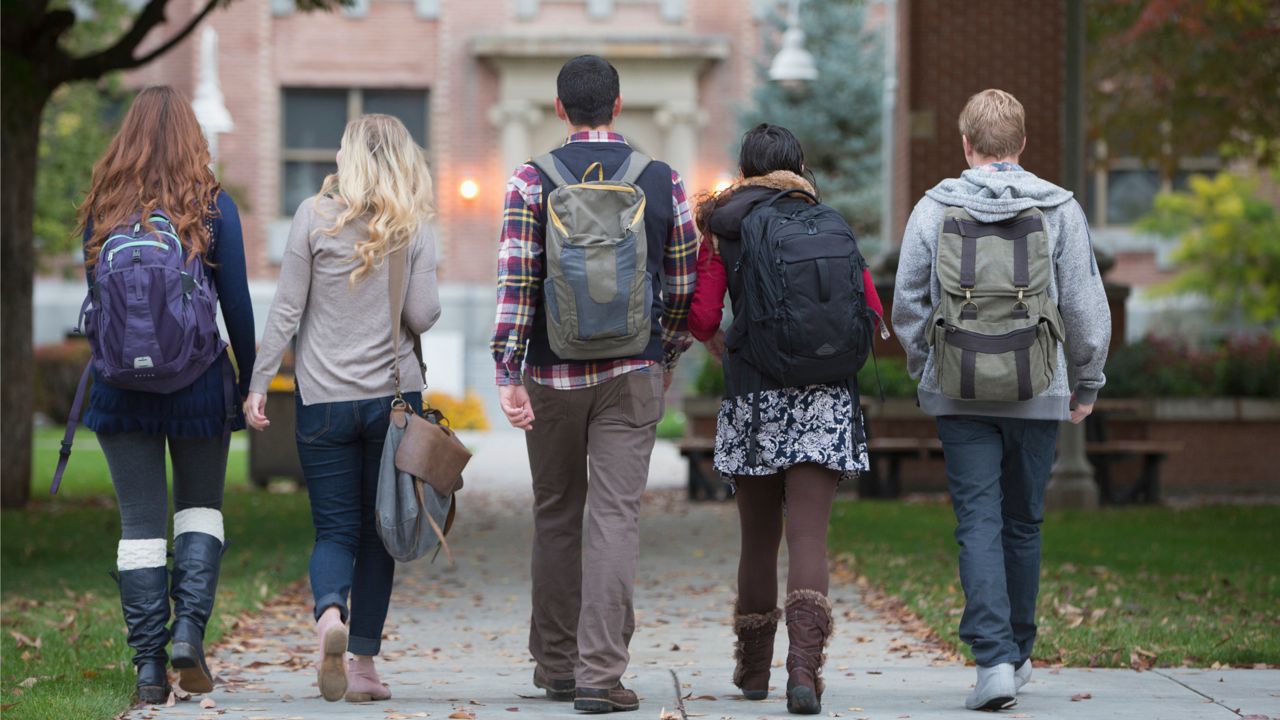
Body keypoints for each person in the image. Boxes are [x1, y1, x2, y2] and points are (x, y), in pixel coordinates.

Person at [892, 89, 1110, 711]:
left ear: (966, 144)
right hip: (1040, 386)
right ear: (1022, 144)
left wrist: (928, 366)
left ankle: (991, 665)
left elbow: (908, 302)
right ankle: (1017, 653)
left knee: (978, 522)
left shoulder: (935, 207)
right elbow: (1085, 307)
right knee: (1023, 521)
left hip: (958, 391)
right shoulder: (1060, 208)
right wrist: (1086, 381)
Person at [491, 54, 696, 713]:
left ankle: (555, 666)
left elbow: (516, 282)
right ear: (618, 104)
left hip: (552, 373)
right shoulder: (664, 180)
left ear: (559, 109)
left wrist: (508, 371)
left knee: (556, 514)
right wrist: (662, 351)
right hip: (633, 371)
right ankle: (600, 674)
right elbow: (685, 281)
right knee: (615, 516)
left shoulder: (531, 179)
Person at [243, 114, 441, 703]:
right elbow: (425, 315)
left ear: (347, 156)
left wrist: (258, 384)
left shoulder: (312, 215)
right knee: (379, 535)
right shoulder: (413, 226)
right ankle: (363, 669)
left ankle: (329, 614)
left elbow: (285, 309)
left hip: (323, 402)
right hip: (393, 405)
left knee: (333, 530)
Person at [690, 123, 883, 715]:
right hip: (825, 399)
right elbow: (871, 312)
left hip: (756, 400)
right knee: (808, 537)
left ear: (745, 169)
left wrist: (722, 342)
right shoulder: (827, 222)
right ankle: (804, 672)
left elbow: (700, 313)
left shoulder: (726, 227)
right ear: (798, 165)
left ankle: (753, 673)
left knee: (758, 539)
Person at [74, 86, 256, 703]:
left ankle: (149, 669)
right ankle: (188, 633)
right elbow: (237, 306)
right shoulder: (210, 206)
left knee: (140, 527)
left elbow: (99, 305)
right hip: (199, 383)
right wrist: (251, 378)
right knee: (200, 511)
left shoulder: (103, 207)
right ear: (191, 137)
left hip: (119, 390)